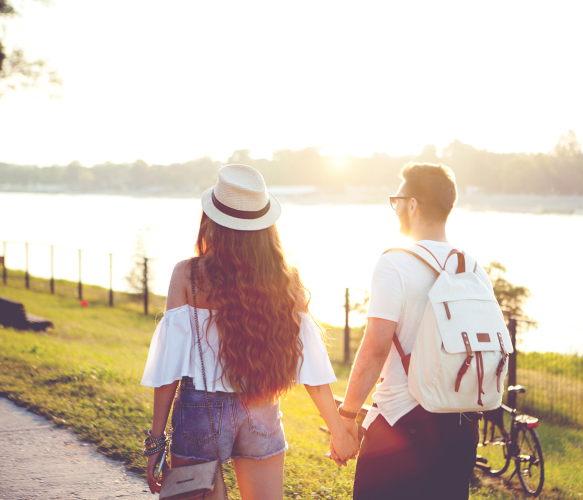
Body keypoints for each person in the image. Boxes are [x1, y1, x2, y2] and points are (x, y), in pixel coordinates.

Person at [140, 164, 359, 499]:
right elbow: (313, 368)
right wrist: (338, 432)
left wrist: (156, 439)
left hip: (201, 410)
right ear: (265, 225)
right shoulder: (287, 280)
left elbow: (169, 367)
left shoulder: (188, 275)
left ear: (211, 220)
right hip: (262, 408)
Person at [335, 163, 494, 500]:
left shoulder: (395, 262)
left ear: (412, 205)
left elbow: (376, 347)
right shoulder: (471, 265)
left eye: (396, 201)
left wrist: (347, 414)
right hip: (462, 425)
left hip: (402, 424)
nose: (395, 210)